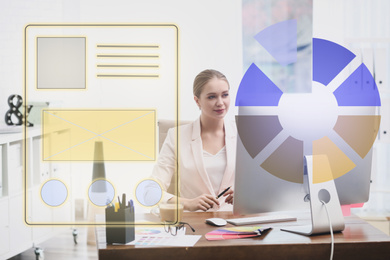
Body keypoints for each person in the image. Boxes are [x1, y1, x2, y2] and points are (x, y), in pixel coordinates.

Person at [150, 69, 237, 211]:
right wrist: (187, 203)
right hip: (194, 223)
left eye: (225, 95)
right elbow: (151, 190)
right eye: (211, 97)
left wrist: (245, 194)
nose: (220, 103)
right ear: (197, 101)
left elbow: (262, 185)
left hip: (234, 222)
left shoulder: (242, 134)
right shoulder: (176, 136)